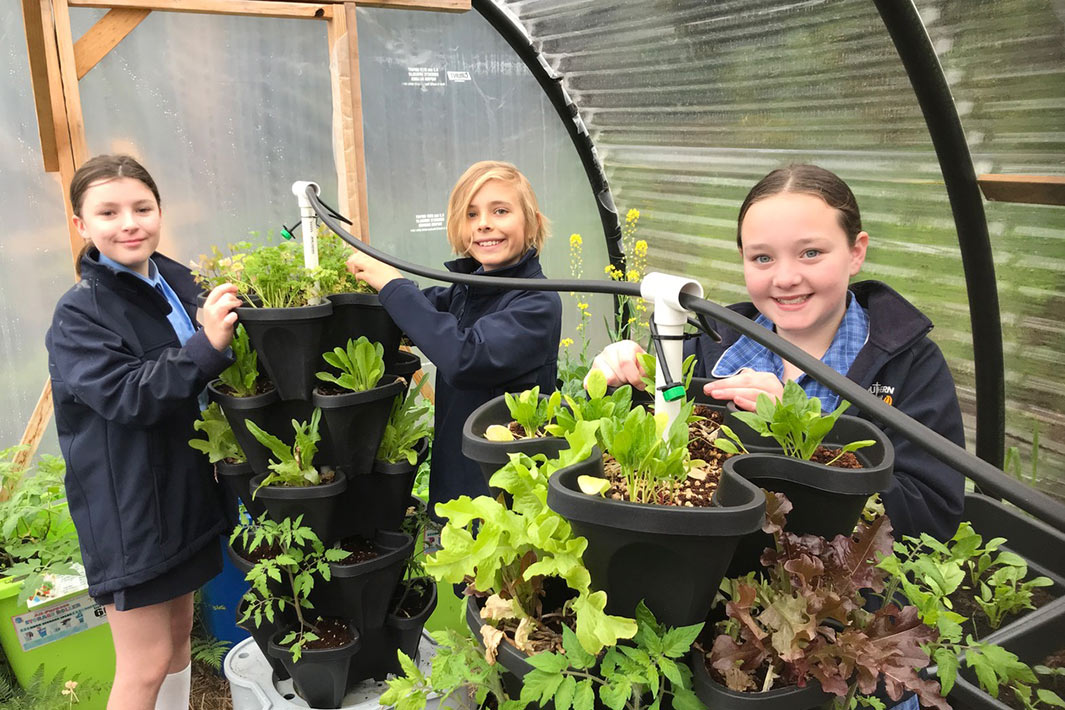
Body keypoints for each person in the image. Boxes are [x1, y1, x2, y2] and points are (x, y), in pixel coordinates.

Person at [590, 164, 965, 542]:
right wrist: (619, 378)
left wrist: (799, 436)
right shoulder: (712, 348)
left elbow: (931, 512)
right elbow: (641, 447)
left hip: (847, 592)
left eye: (811, 253)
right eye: (762, 258)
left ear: (856, 252)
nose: (785, 278)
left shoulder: (908, 365)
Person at [46, 154, 241, 710]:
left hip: (182, 493)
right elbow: (131, 396)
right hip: (132, 511)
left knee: (179, 638)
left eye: (141, 207)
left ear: (160, 212)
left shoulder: (176, 283)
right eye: (108, 212)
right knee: (143, 664)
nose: (129, 222)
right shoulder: (81, 314)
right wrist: (206, 348)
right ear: (81, 225)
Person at [346, 160, 562, 518]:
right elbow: (425, 312)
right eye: (471, 214)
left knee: (496, 573)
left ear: (533, 223)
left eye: (501, 211)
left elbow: (465, 358)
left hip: (504, 493)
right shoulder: (469, 290)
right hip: (456, 476)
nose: (484, 224)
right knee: (449, 566)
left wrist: (394, 285)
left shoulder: (536, 302)